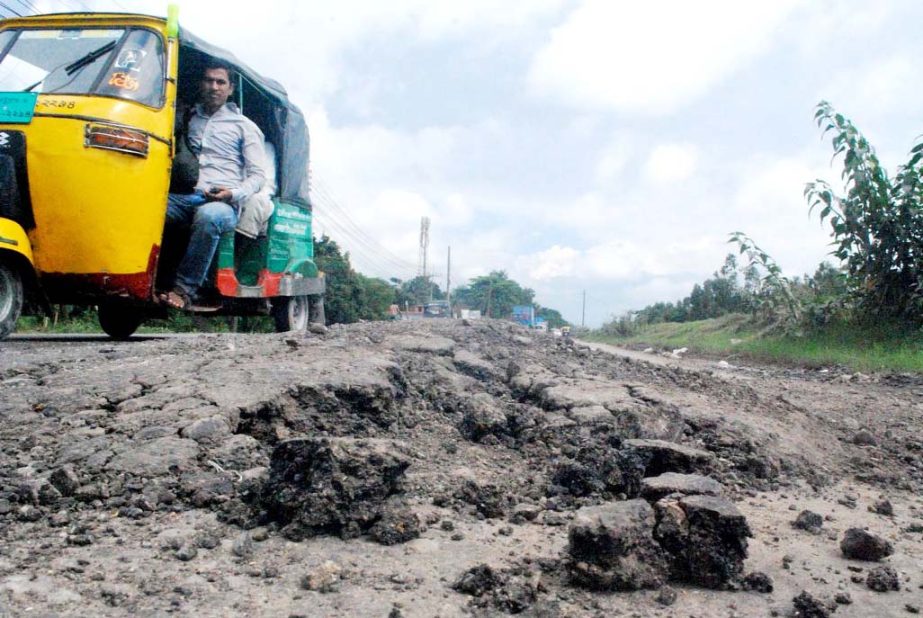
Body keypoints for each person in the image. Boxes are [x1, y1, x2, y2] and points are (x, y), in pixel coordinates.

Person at [160, 59, 267, 309]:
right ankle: (146, 280)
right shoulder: (188, 118)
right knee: (149, 207)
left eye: (221, 82)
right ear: (201, 84)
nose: (214, 86)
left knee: (209, 216)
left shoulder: (245, 127)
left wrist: (232, 194)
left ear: (230, 89)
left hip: (224, 204)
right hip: (186, 197)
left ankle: (184, 290)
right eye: (209, 80)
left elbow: (258, 176)